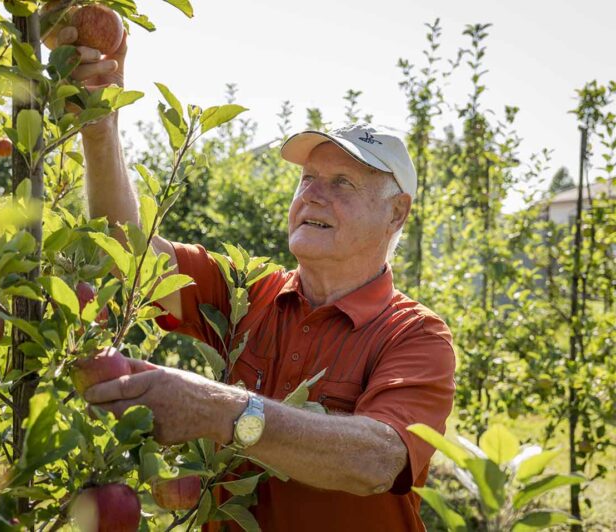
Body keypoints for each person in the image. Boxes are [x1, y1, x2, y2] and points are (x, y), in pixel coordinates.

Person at [49, 26, 456, 532]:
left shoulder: (414, 336)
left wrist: (218, 410)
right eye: (307, 179)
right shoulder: (245, 292)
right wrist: (100, 125)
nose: (312, 195)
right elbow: (129, 256)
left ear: (396, 214)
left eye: (341, 183)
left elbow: (378, 460)